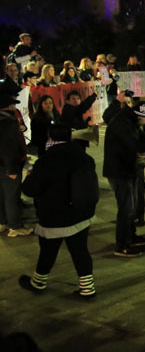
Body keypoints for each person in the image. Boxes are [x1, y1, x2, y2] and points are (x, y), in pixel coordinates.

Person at [18, 124, 99, 298]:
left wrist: (29, 177)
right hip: (81, 214)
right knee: (80, 251)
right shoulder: (83, 157)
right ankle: (87, 288)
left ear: (50, 139)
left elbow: (30, 189)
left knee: (48, 251)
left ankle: (38, 283)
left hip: (55, 216)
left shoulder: (46, 161)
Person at [103, 99, 145, 257]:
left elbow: (142, 140)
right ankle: (122, 245)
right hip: (119, 172)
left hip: (127, 169)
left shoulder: (130, 121)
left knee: (131, 208)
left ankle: (131, 237)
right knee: (126, 209)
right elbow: (136, 145)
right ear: (139, 116)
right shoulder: (122, 124)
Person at [0, 94, 31, 238]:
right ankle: (14, 226)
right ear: (8, 106)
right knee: (11, 196)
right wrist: (12, 168)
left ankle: (2, 222)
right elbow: (9, 147)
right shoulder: (8, 122)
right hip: (8, 165)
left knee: (1, 195)